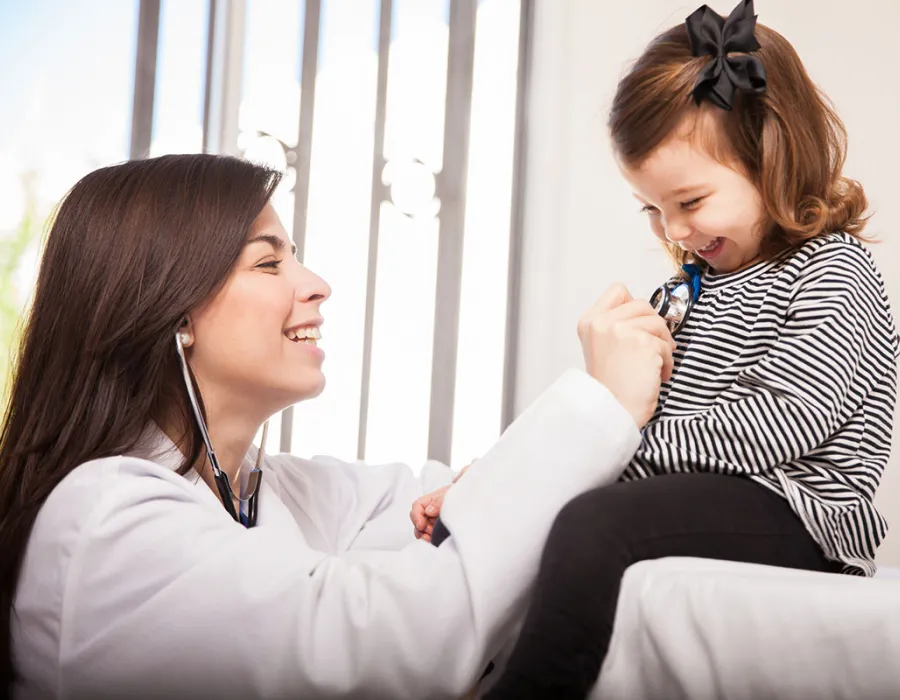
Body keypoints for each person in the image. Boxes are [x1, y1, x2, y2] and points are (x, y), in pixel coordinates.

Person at [0, 153, 675, 699]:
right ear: (171, 311)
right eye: (269, 263)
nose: (317, 283)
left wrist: (484, 490)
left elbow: (443, 506)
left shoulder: (276, 492)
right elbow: (393, 643)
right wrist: (599, 403)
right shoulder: (105, 521)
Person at [415, 1, 900, 697]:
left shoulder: (833, 269)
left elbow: (788, 420)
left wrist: (609, 462)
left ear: (772, 155)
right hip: (699, 493)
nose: (673, 229)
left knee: (595, 522)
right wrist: (498, 479)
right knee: (523, 517)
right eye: (652, 209)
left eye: (690, 201)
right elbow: (614, 415)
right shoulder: (685, 291)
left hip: (800, 513)